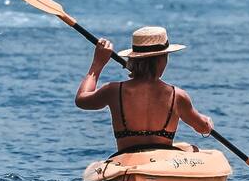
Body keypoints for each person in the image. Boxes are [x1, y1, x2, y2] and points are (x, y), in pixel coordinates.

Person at [75, 26, 214, 154]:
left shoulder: (113, 90)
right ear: (162, 60)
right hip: (163, 161)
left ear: (132, 59)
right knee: (192, 149)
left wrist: (98, 63)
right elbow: (202, 128)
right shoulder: (177, 96)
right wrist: (207, 122)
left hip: (126, 159)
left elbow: (81, 100)